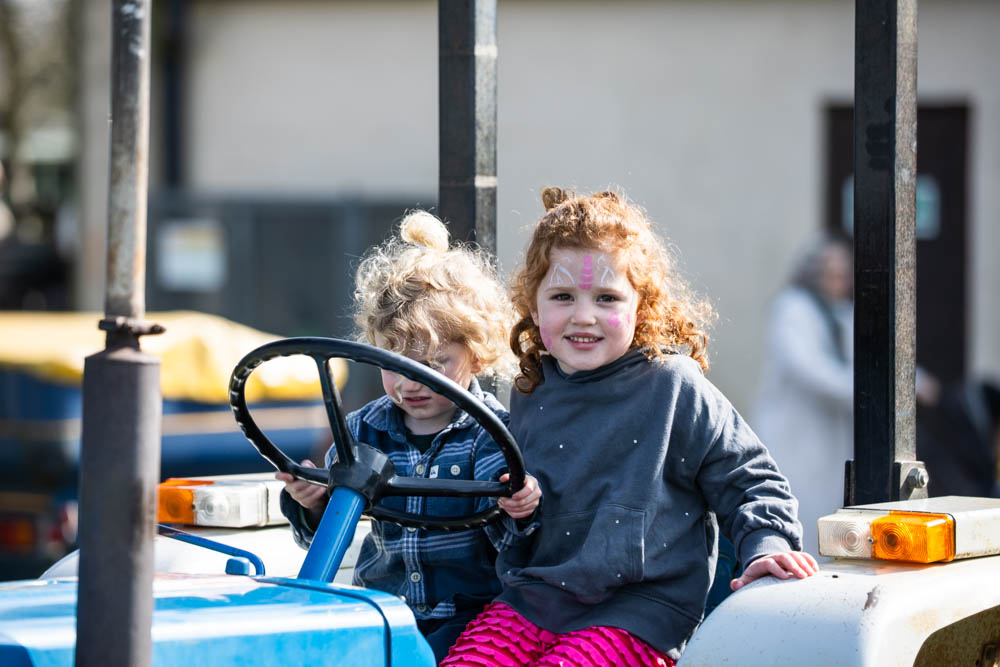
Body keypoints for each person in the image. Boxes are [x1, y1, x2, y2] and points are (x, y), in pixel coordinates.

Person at [441, 188, 818, 667]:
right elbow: (530, 511)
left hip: (638, 611)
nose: (584, 315)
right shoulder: (532, 390)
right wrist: (519, 505)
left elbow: (749, 479)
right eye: (562, 296)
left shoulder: (673, 387)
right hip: (534, 599)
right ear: (534, 309)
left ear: (642, 306)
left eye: (606, 297)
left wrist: (767, 545)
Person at [277, 210, 542, 663]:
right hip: (378, 608)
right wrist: (313, 501)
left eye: (434, 363)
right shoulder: (363, 430)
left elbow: (517, 548)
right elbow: (320, 539)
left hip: (468, 616)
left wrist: (519, 508)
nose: (411, 384)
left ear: (475, 353)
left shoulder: (491, 438)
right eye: (396, 364)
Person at [752, 234, 854, 555]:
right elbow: (810, 369)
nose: (836, 281)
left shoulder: (843, 313)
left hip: (831, 436)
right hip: (794, 433)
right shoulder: (793, 309)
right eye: (828, 272)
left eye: (842, 274)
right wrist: (860, 392)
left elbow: (870, 361)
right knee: (798, 510)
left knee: (830, 512)